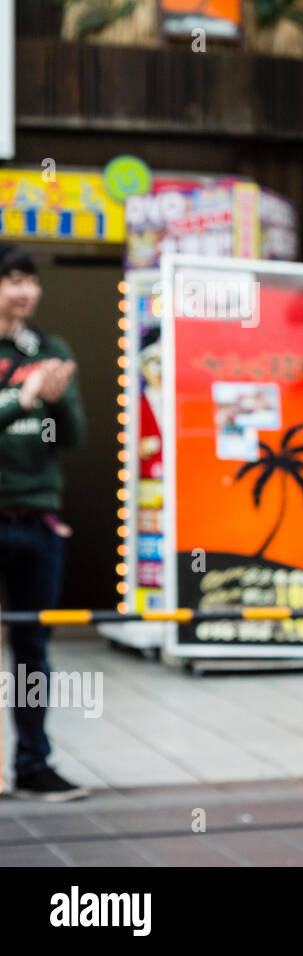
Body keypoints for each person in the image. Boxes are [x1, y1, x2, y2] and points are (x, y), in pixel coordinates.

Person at [0, 243, 88, 801]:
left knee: (33, 646)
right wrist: (21, 399)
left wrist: (51, 401)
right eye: (11, 278)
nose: (24, 289)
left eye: (30, 279)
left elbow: (73, 437)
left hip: (38, 520)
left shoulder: (50, 349)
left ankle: (33, 764)